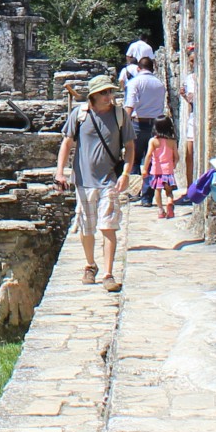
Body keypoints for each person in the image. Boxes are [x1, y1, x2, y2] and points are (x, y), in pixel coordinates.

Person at [56, 75, 128, 292]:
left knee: (108, 226)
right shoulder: (79, 115)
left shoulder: (119, 115)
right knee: (87, 227)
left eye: (110, 92)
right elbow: (67, 143)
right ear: (93, 96)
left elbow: (131, 146)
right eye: (104, 93)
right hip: (84, 180)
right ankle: (90, 264)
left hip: (109, 181)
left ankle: (108, 273)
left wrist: (126, 173)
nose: (109, 96)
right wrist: (60, 172)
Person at [124, 56, 170, 203]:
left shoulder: (134, 82)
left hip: (138, 124)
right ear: (153, 68)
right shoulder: (159, 84)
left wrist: (122, 126)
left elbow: (130, 106)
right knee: (152, 161)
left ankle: (134, 192)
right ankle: (147, 197)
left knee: (133, 158)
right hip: (157, 125)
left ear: (138, 68)